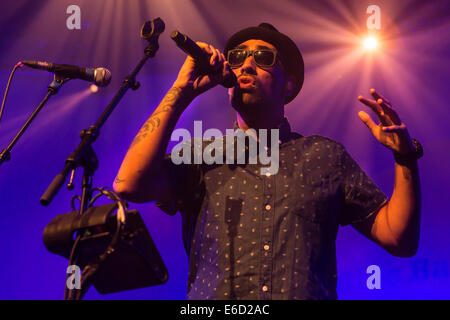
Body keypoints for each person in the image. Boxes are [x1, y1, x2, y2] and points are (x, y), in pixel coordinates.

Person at [113, 23, 422, 299]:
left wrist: (405, 157)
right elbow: (128, 184)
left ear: (288, 85)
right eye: (237, 57)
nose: (247, 64)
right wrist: (181, 91)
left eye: (262, 58)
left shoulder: (325, 155)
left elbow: (398, 238)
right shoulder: (199, 155)